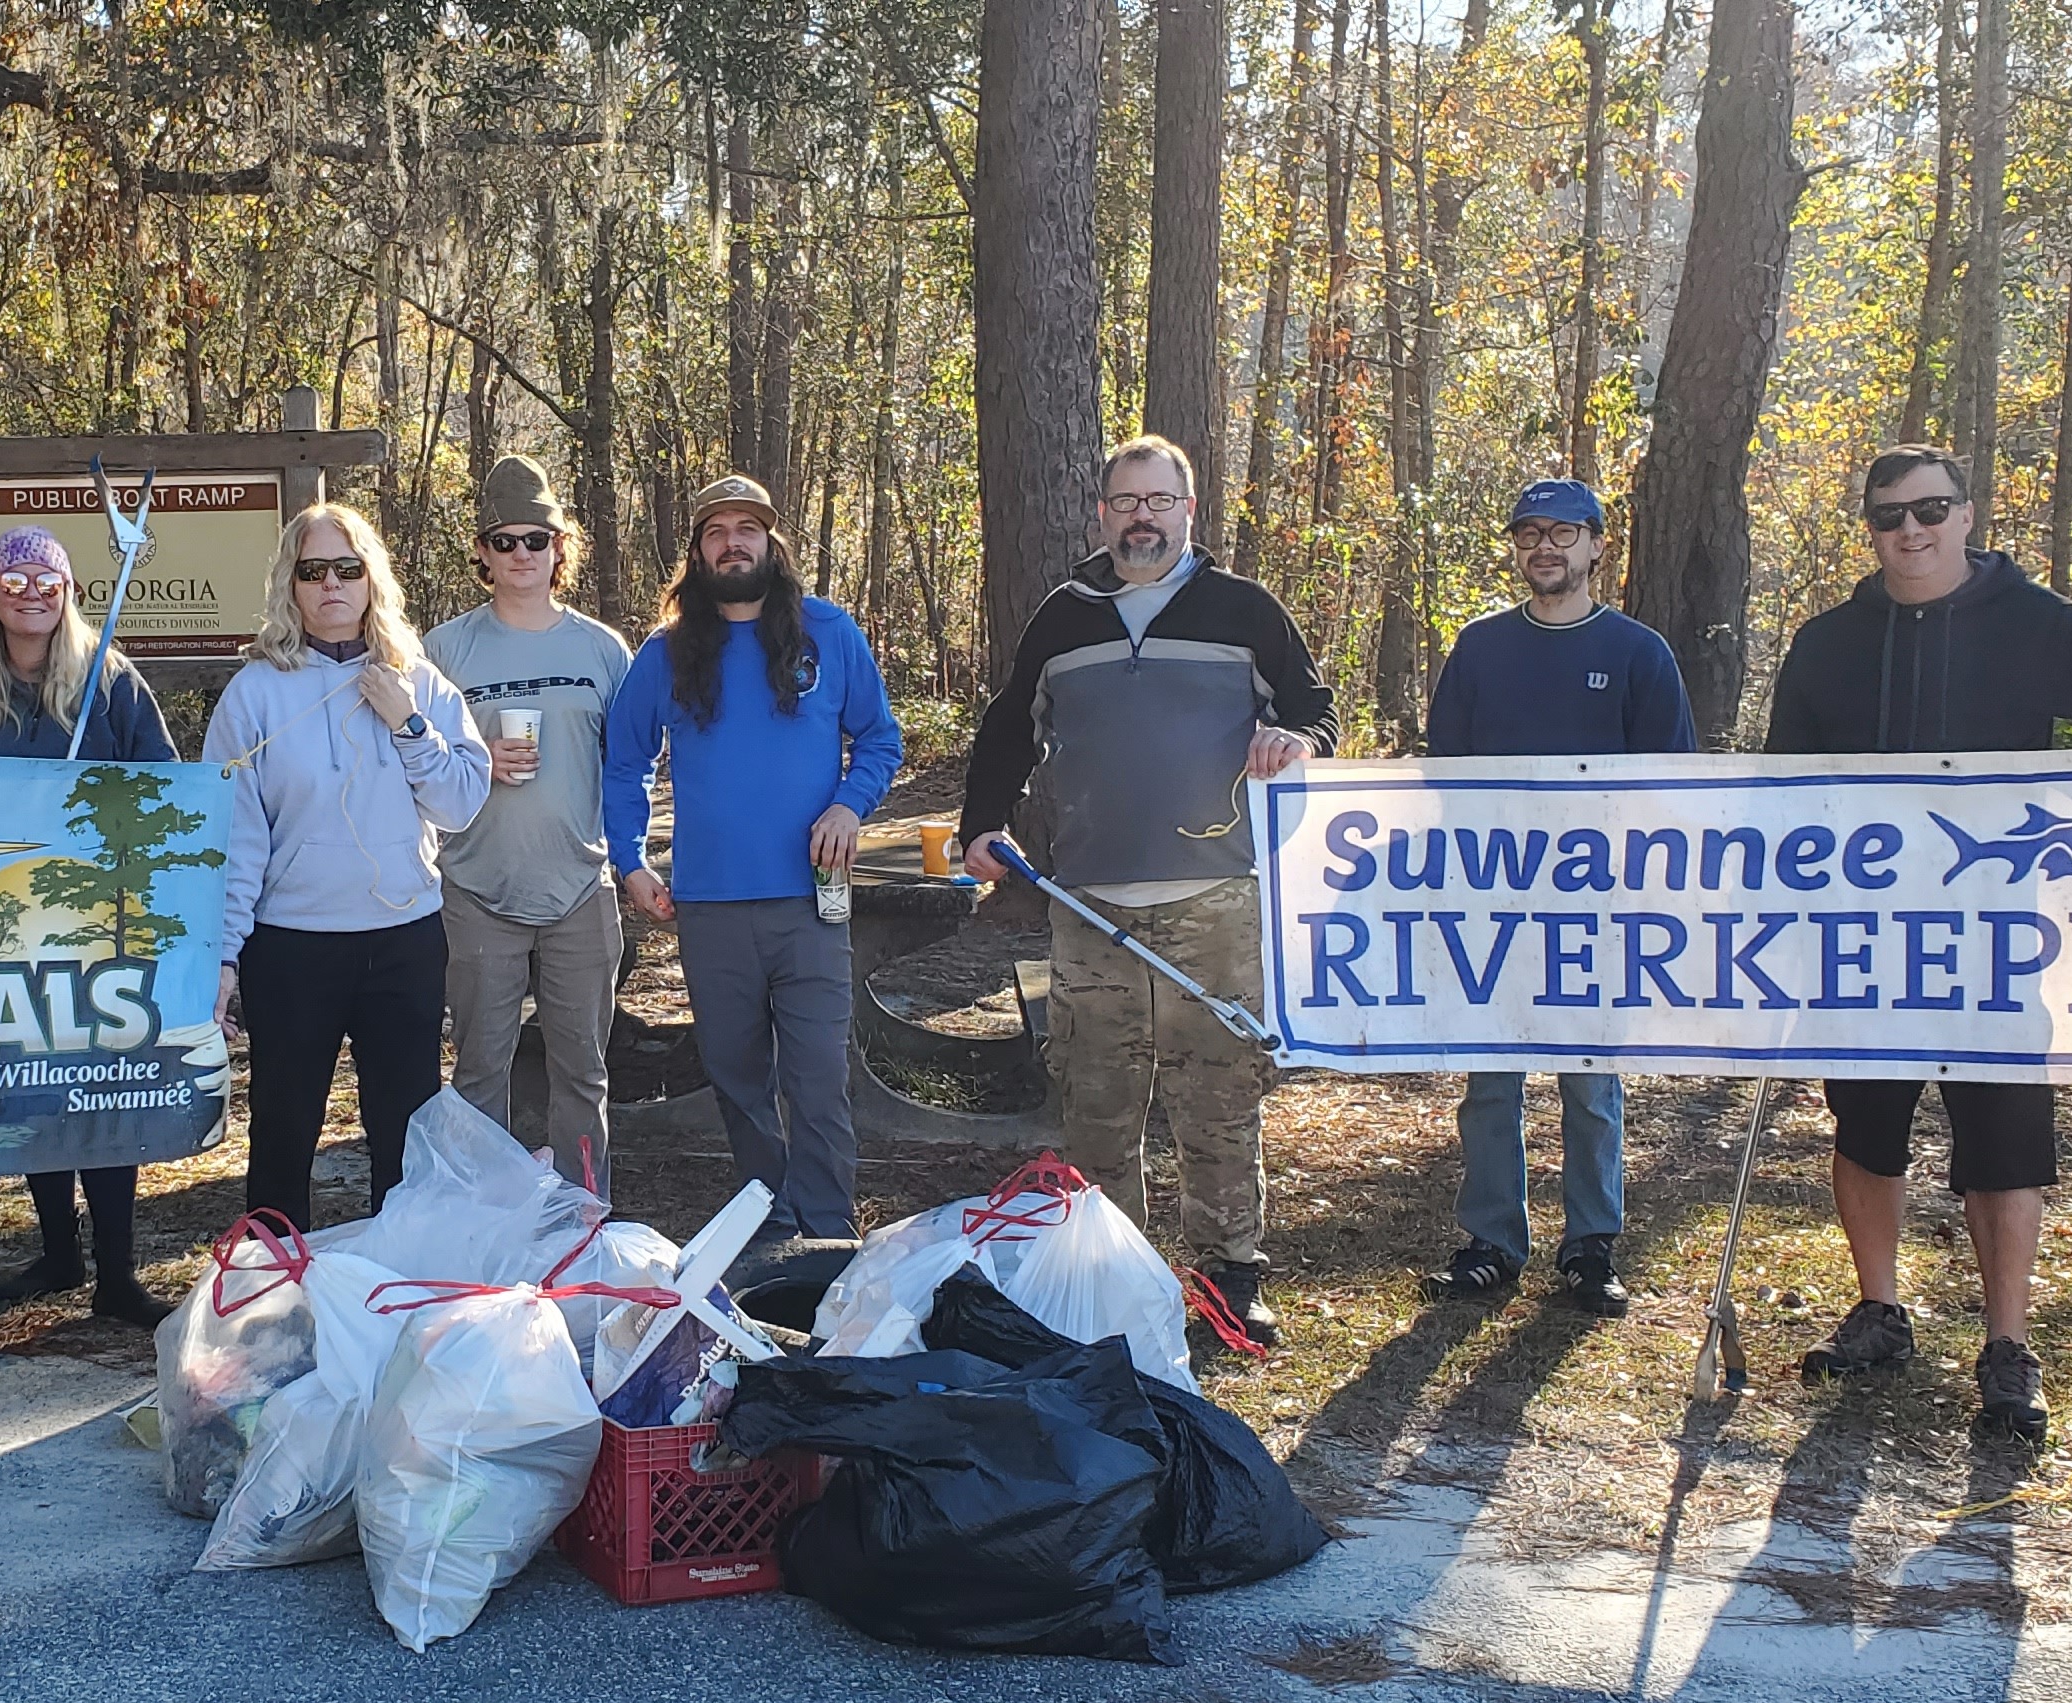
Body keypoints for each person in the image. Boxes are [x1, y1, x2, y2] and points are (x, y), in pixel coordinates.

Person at [1762, 444, 2072, 1439]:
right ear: (1870, 529)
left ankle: (2008, 1347)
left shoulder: (2037, 624)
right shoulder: (1827, 644)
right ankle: (1879, 1310)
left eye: (1930, 508)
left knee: (2005, 1144)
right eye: (1889, 516)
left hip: (2000, 936)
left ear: (1968, 513)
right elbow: (1780, 790)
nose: (1912, 530)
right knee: (1865, 1127)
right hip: (1868, 933)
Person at [959, 435, 1334, 1347]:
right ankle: (1108, 1276)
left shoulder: (1244, 609)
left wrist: (1300, 744)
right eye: (1126, 502)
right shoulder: (1064, 616)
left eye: (1159, 503)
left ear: (1188, 511)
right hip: (1089, 904)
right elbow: (1010, 726)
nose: (1142, 519)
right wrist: (982, 823)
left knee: (1218, 1092)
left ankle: (1229, 1276)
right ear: (1101, 513)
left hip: (1216, 901)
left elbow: (1315, 707)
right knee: (1096, 1094)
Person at [1418, 479, 1699, 1317]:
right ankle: (1492, 1243)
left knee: (1590, 1082)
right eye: (1529, 533)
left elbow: (1670, 786)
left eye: (1564, 532)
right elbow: (1444, 780)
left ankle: (1591, 1245)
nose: (1546, 547)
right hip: (1494, 904)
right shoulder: (1479, 649)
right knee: (1491, 1085)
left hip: (1599, 908)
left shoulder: (1640, 653)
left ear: (1596, 546)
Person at [603, 475, 903, 1257]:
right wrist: (629, 859)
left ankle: (830, 1234)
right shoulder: (667, 654)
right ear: (697, 552)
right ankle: (770, 1225)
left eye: (749, 528)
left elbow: (879, 740)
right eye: (716, 531)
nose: (733, 541)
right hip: (710, 904)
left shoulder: (828, 634)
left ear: (774, 543)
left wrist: (848, 806)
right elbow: (625, 759)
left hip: (813, 898)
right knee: (736, 1076)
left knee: (815, 1076)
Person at [201, 503, 491, 1229]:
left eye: (347, 568)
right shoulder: (255, 693)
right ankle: (272, 1286)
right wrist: (224, 957)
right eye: (312, 571)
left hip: (404, 938)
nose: (331, 584)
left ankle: (402, 1288)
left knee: (404, 1126)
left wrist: (408, 723)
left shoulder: (418, 682)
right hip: (293, 944)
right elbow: (235, 840)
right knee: (283, 1124)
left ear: (371, 579)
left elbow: (459, 804)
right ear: (290, 586)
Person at [0, 526, 180, 1326]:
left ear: (71, 591)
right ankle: (58, 1250)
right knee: (29, 1086)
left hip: (98, 917)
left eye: (49, 581)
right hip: (4, 920)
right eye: (16, 583)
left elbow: (164, 788)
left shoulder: (113, 683)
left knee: (102, 1085)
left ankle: (117, 1269)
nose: (34, 595)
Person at [422, 456, 633, 1194]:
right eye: (504, 541)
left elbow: (633, 764)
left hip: (580, 885)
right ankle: (484, 1225)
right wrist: (476, 757)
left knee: (585, 1072)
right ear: (481, 551)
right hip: (477, 886)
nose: (520, 555)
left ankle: (584, 1222)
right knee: (481, 1070)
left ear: (560, 547)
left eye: (535, 540)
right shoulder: (444, 649)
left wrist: (632, 861)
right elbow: (415, 759)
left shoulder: (603, 650)